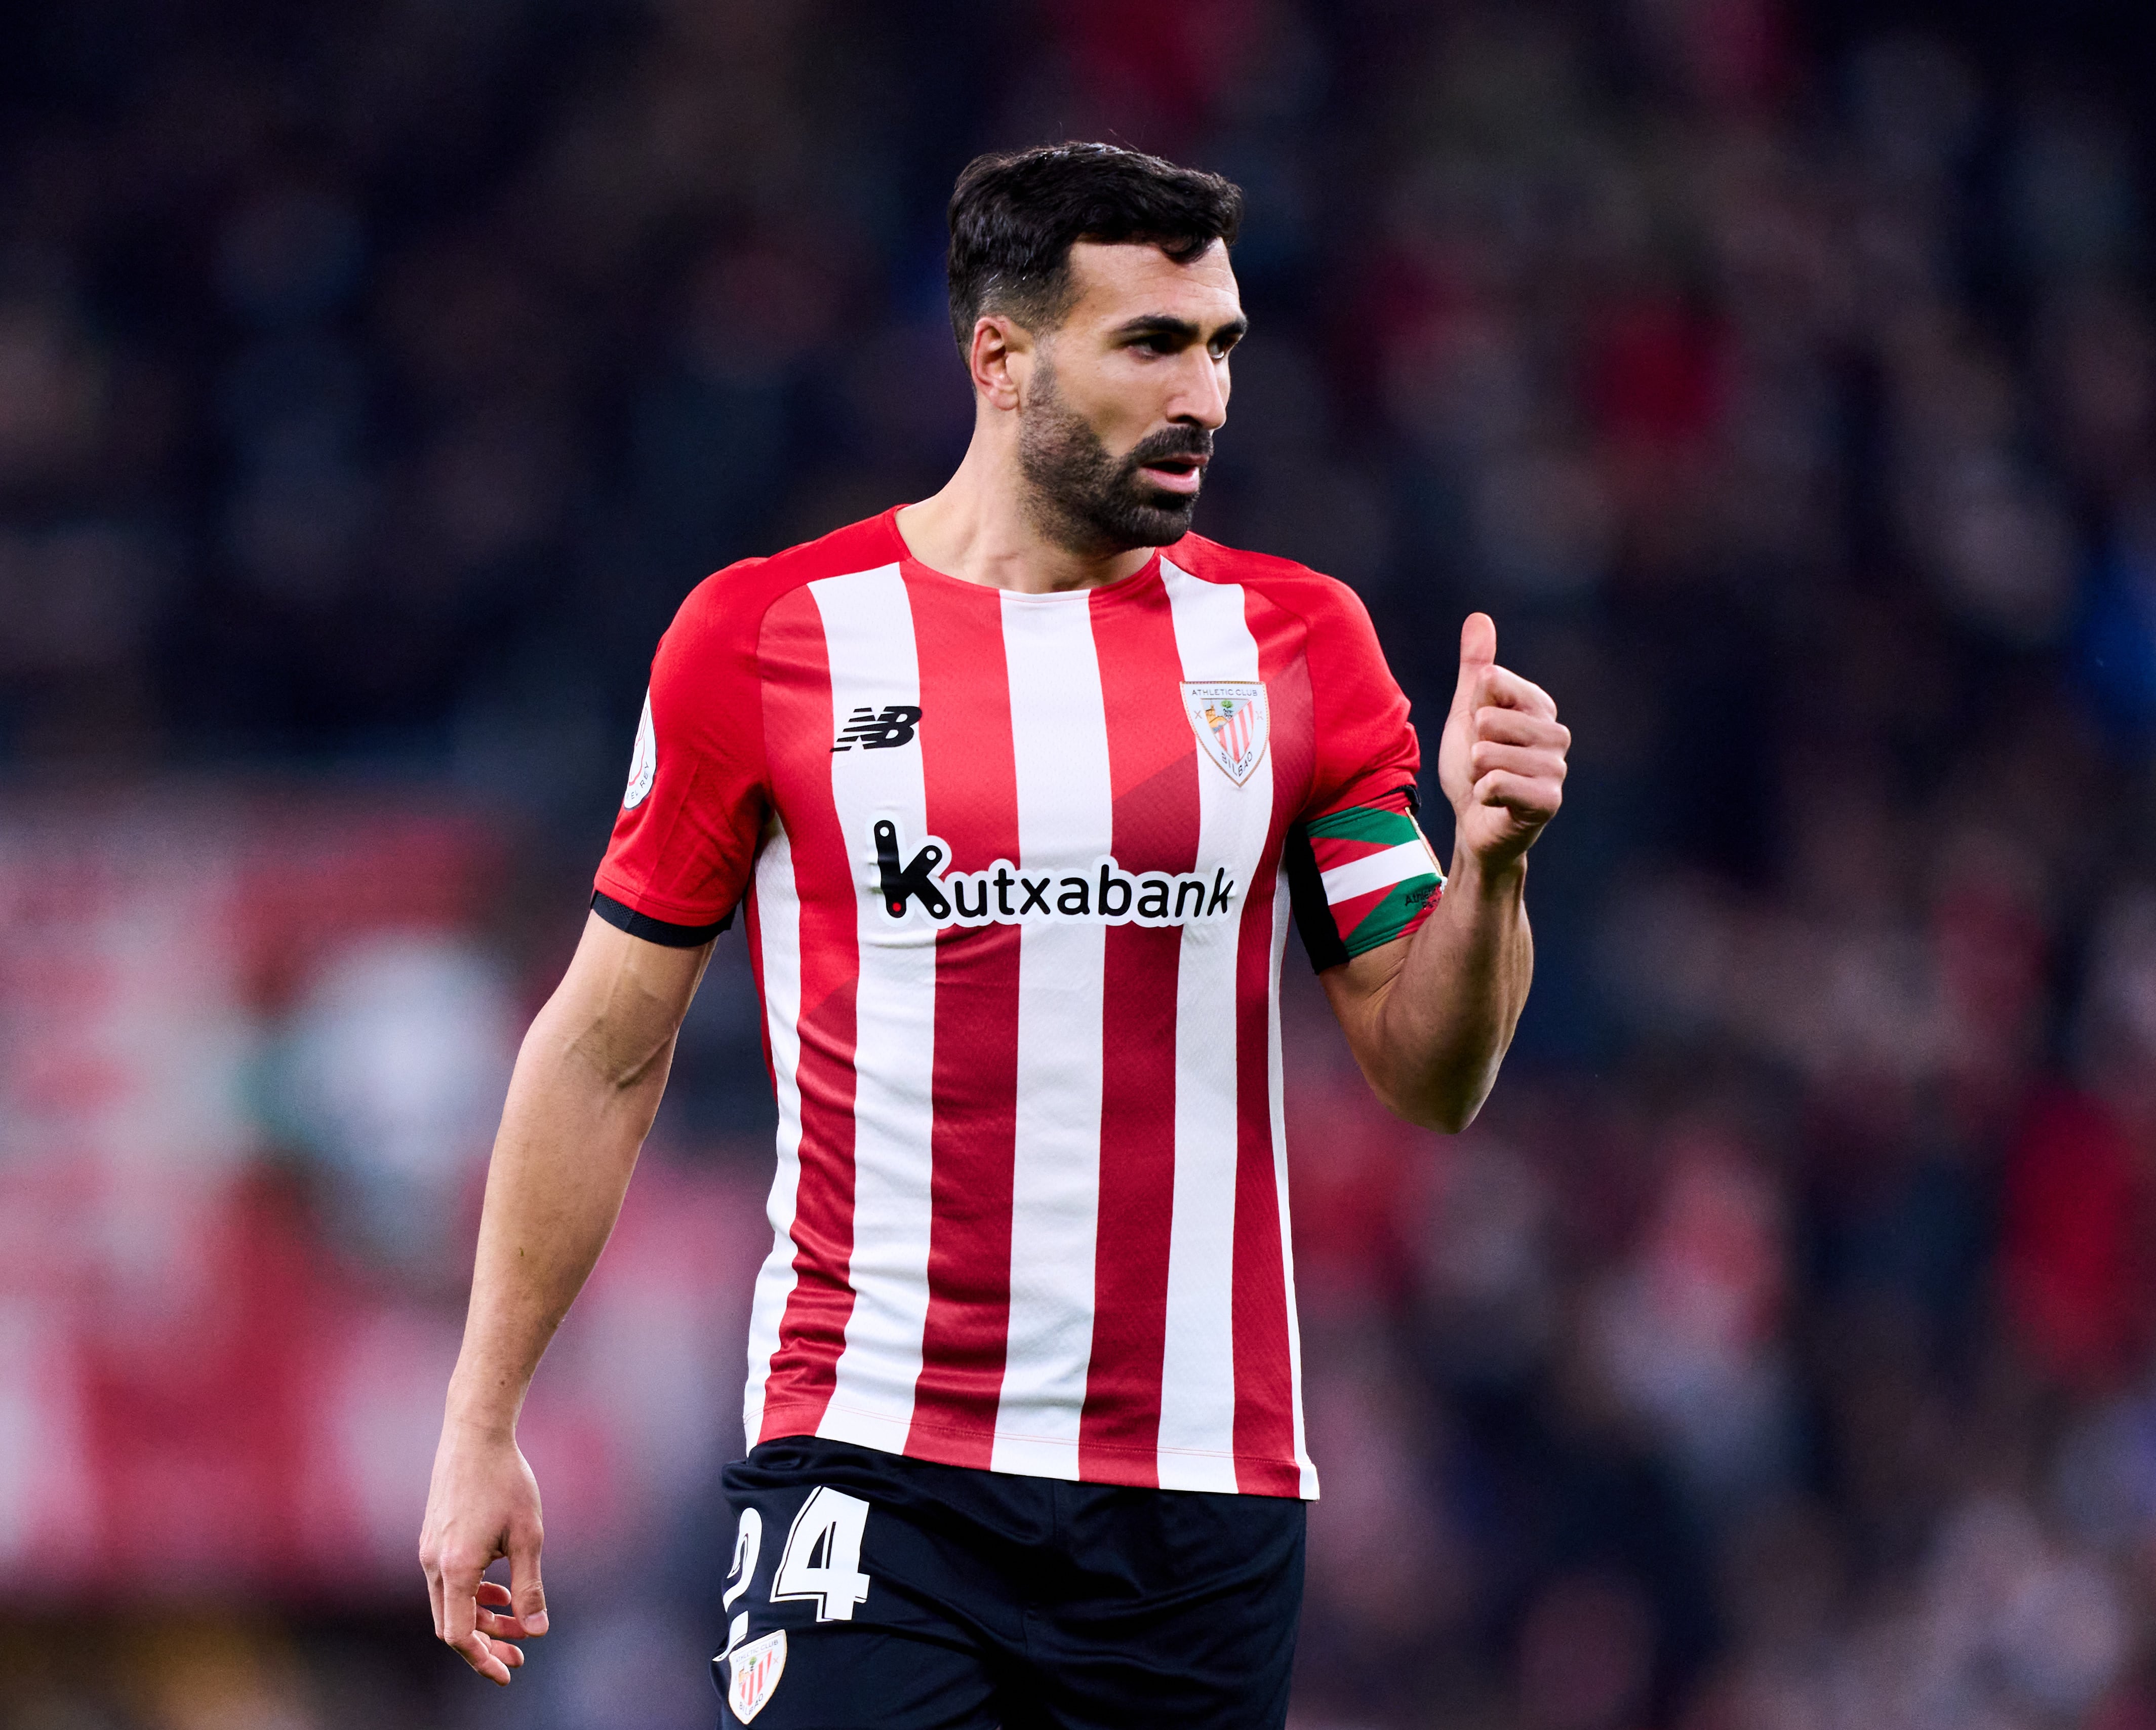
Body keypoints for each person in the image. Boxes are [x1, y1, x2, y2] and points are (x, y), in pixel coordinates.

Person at [419, 141, 1569, 1729]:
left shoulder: (1298, 644)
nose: (1208, 397)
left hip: (1195, 1500)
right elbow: (604, 1044)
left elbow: (1432, 1073)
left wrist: (1494, 870)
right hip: (874, 1463)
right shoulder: (772, 641)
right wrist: (484, 1418)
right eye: (1153, 344)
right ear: (1001, 358)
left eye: (1223, 345)